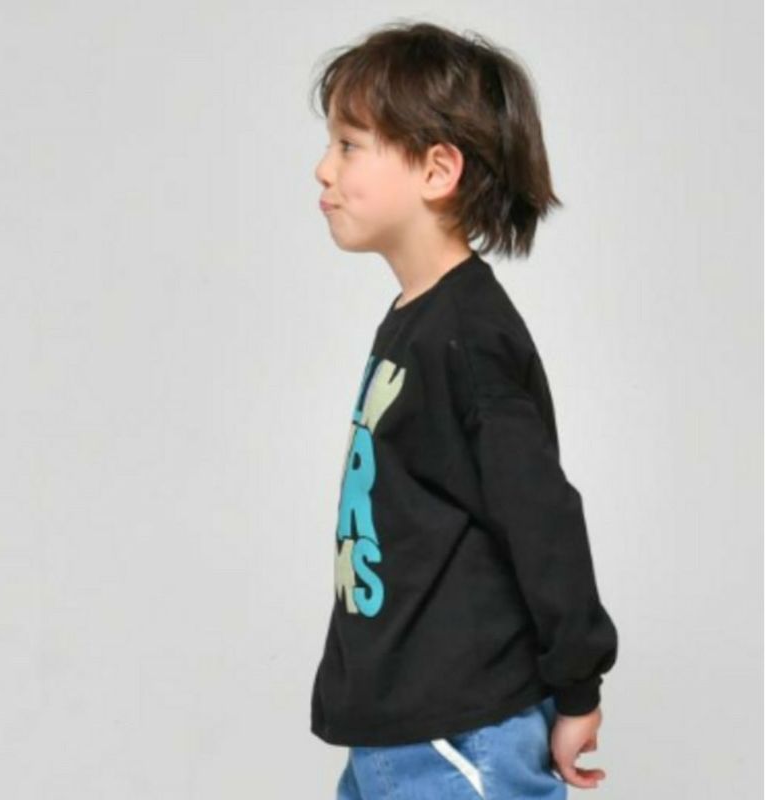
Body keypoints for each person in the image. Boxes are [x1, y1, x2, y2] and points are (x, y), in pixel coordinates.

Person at [309, 20, 619, 799]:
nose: (323, 168)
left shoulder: (470, 338)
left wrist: (577, 686)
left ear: (436, 169)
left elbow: (542, 516)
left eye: (349, 145)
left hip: (459, 734)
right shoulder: (415, 322)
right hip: (398, 731)